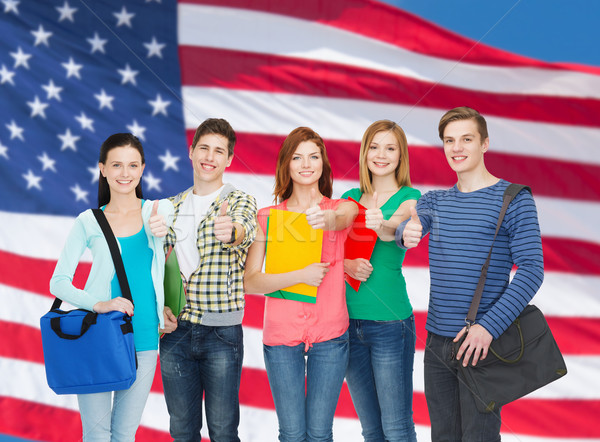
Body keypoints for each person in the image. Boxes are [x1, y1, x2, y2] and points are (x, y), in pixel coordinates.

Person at [397, 107, 544, 441]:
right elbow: (410, 228)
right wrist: (406, 230)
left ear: (485, 144)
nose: (457, 147)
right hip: (437, 343)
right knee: (444, 436)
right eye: (449, 140)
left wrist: (487, 328)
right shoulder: (435, 201)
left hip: (483, 345)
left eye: (466, 139)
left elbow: (532, 270)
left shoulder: (513, 199)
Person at [49, 133, 176, 441]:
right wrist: (99, 304)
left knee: (124, 434)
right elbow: (58, 282)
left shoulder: (158, 211)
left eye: (133, 165)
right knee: (96, 434)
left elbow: (172, 226)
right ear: (102, 169)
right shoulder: (88, 221)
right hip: (98, 335)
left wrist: (164, 228)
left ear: (143, 169)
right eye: (116, 165)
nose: (125, 173)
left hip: (145, 336)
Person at [244, 127, 358, 442]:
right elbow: (251, 281)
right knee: (292, 434)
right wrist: (300, 276)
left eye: (313, 156)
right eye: (297, 157)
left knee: (320, 433)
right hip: (281, 336)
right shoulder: (267, 217)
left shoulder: (339, 209)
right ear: (286, 165)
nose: (306, 164)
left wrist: (329, 221)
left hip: (331, 335)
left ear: (323, 164)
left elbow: (349, 213)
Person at [159, 118, 257, 442]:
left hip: (222, 334)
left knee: (223, 431)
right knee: (182, 430)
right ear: (191, 151)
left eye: (219, 151)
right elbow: (157, 268)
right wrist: (161, 309)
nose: (210, 157)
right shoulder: (170, 207)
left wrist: (232, 232)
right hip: (176, 333)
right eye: (204, 148)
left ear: (229, 159)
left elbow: (244, 230)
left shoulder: (239, 201)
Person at [342, 120, 420, 442]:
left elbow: (395, 231)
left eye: (390, 148)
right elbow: (329, 254)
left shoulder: (411, 198)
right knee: (372, 430)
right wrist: (347, 263)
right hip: (347, 323)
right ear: (364, 152)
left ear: (401, 156)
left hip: (391, 325)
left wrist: (381, 224)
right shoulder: (348, 197)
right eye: (374, 147)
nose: (381, 154)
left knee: (397, 429)